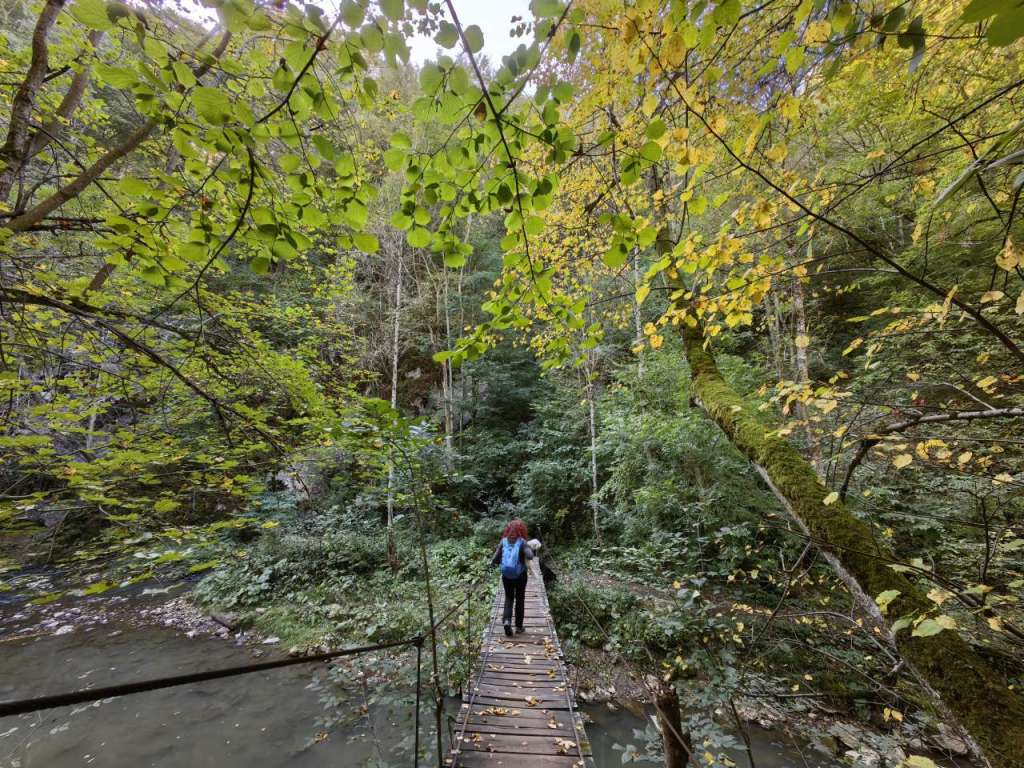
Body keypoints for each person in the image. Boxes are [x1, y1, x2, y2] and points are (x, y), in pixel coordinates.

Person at [490, 519, 536, 636]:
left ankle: (507, 621)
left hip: (506, 576)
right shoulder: (522, 542)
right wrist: (530, 548)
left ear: (508, 530)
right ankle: (519, 627)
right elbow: (530, 556)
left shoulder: (503, 541)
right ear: (521, 530)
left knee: (509, 597)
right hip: (520, 576)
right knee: (520, 598)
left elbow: (495, 559)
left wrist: (493, 564)